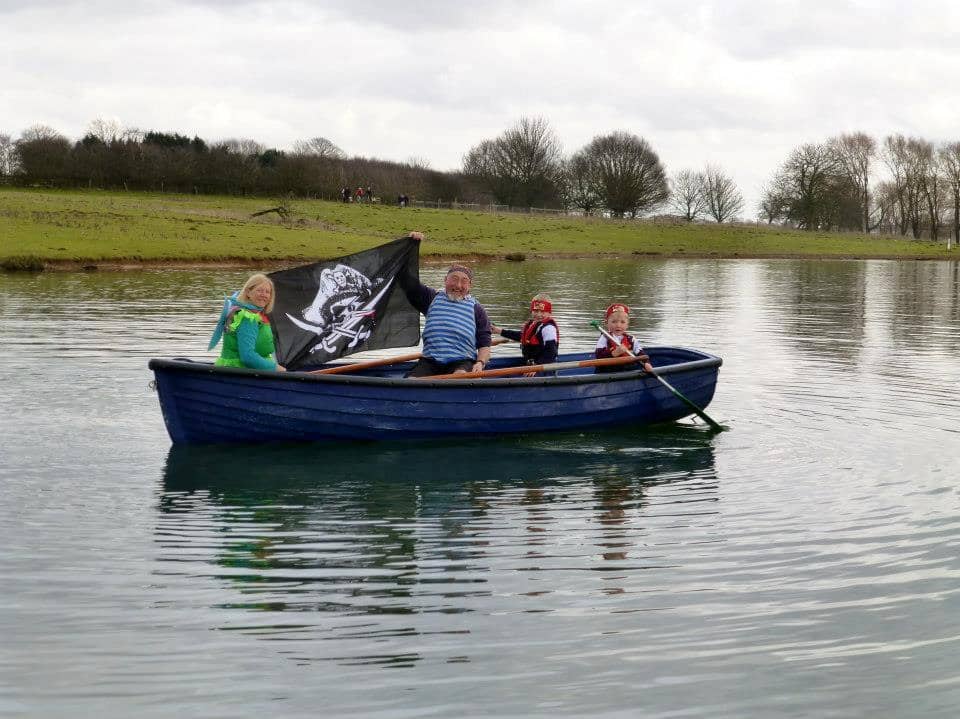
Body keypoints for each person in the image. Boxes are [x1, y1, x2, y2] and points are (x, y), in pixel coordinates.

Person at [400, 232, 492, 377]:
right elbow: (406, 280)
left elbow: (484, 343)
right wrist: (410, 244)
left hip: (462, 361)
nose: (458, 285)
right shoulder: (431, 298)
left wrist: (480, 363)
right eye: (454, 279)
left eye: (464, 281)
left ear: (470, 285)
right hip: (430, 361)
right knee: (410, 381)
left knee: (460, 376)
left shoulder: (477, 309)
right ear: (445, 280)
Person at [209, 273, 286, 371]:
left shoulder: (250, 313)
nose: (264, 295)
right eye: (260, 290)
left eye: (268, 292)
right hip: (240, 370)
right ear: (248, 292)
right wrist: (277, 368)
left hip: (253, 369)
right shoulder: (247, 317)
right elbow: (247, 356)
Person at [492, 293, 559, 373]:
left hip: (543, 369)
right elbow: (522, 336)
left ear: (549, 313)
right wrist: (499, 331)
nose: (538, 314)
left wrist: (537, 367)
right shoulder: (533, 324)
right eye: (536, 311)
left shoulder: (548, 329)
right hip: (532, 366)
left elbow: (551, 353)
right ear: (532, 311)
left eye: (542, 312)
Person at [594, 303, 653, 373]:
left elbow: (641, 354)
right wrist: (613, 353)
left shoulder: (631, 339)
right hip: (607, 372)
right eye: (614, 322)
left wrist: (647, 363)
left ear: (627, 324)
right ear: (607, 323)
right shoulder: (604, 338)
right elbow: (598, 356)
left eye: (622, 322)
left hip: (628, 370)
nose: (618, 325)